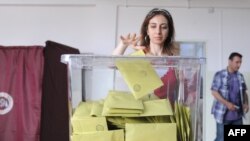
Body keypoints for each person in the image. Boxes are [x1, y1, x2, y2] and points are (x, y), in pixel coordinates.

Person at [211, 52, 249, 141]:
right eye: (237, 62)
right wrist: (227, 104)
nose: (239, 65)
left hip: (238, 117)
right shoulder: (220, 75)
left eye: (240, 62)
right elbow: (214, 92)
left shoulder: (240, 76)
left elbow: (244, 92)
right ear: (229, 61)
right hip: (223, 116)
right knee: (221, 139)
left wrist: (246, 103)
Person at [112, 8, 180, 56]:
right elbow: (112, 65)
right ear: (147, 30)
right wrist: (123, 45)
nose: (158, 31)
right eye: (153, 26)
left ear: (169, 31)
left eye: (163, 27)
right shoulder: (139, 56)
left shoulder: (174, 59)